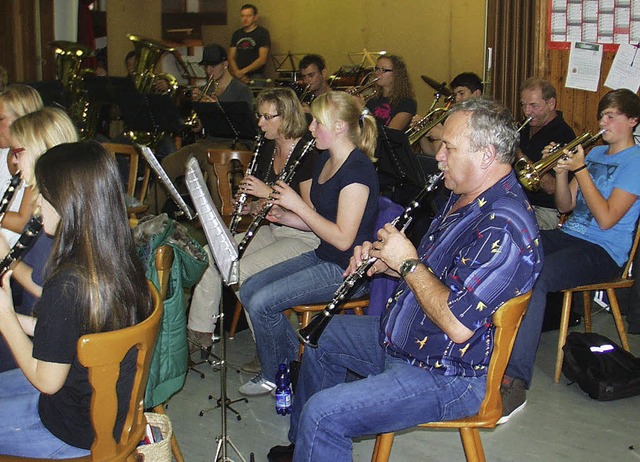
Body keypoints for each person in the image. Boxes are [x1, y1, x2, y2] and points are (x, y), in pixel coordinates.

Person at [265, 97, 543, 462]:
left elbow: (459, 324)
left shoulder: (503, 225)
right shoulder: (465, 197)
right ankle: (307, 448)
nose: (439, 155)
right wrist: (389, 265)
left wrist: (408, 263)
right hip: (412, 337)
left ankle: (316, 437)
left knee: (325, 414)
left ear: (487, 155)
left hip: (448, 372)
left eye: (449, 147)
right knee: (323, 336)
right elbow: (440, 275)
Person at [0, 141, 153, 458]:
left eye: (44, 194)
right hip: (103, 412)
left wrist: (4, 318)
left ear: (68, 204)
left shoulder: (68, 284)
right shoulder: (116, 257)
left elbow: (47, 381)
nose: (39, 202)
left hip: (73, 430)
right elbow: (69, 331)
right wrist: (15, 320)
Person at [500, 89, 640, 424]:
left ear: (633, 121)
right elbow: (565, 206)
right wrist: (562, 171)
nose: (603, 123)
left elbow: (606, 218)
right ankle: (489, 345)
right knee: (510, 247)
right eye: (601, 115)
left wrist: (581, 171)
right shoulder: (595, 152)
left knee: (540, 274)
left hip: (603, 251)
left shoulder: (635, 162)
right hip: (569, 235)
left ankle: (515, 381)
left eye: (612, 116)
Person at [238, 91, 380, 396]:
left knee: (263, 303)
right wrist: (287, 217)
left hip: (347, 270)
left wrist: (298, 207)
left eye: (317, 122)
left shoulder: (357, 172)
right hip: (323, 253)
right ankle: (291, 367)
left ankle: (279, 373)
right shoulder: (326, 160)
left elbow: (343, 238)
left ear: (340, 127)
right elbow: (319, 221)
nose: (311, 128)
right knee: (249, 287)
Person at [187, 87, 320, 367]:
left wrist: (266, 191)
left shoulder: (308, 153)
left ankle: (269, 349)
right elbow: (266, 205)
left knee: (240, 272)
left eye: (266, 117)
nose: (259, 123)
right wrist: (249, 206)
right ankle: (199, 336)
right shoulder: (269, 147)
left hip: (304, 237)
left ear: (286, 117)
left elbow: (310, 212)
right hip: (273, 228)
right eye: (259, 116)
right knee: (211, 256)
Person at [0, 107, 79, 374]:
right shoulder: (46, 201)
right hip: (35, 323)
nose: (13, 162)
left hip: (40, 345)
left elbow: (44, 288)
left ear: (40, 153)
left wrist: (5, 257)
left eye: (17, 153)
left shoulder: (56, 220)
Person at [155, 43, 254, 214]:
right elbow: (197, 127)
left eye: (213, 66)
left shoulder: (241, 90)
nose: (209, 71)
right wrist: (198, 108)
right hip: (209, 143)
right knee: (168, 163)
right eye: (206, 66)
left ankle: (221, 218)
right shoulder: (204, 89)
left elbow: (246, 126)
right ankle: (150, 215)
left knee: (214, 166)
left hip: (235, 143)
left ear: (225, 64)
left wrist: (217, 107)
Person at [517, 77, 576, 230]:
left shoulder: (564, 135)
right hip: (518, 203)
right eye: (523, 105)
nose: (526, 112)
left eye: (533, 106)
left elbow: (553, 188)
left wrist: (519, 156)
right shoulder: (524, 129)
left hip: (544, 211)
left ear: (551, 104)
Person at [0, 85, 44, 246]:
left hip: (19, 250)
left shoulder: (34, 161)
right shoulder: (4, 154)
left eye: (1, 119)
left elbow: (22, 222)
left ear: (22, 120)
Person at [418, 71, 483, 156]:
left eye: (461, 93)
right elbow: (433, 152)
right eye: (455, 94)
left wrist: (442, 134)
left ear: (477, 94)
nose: (457, 99)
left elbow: (473, 149)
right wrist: (420, 134)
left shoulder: (483, 118)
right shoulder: (453, 117)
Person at [365, 54, 417, 131]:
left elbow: (390, 134)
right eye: (377, 69)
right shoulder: (372, 101)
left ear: (396, 74)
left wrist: (363, 110)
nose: (377, 73)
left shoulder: (407, 103)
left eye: (383, 70)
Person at [228, 3, 271, 85]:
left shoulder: (262, 33)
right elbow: (231, 56)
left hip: (256, 74)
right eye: (243, 16)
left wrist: (243, 72)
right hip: (238, 74)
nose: (245, 19)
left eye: (248, 16)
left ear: (255, 17)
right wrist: (238, 73)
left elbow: (262, 59)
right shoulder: (237, 34)